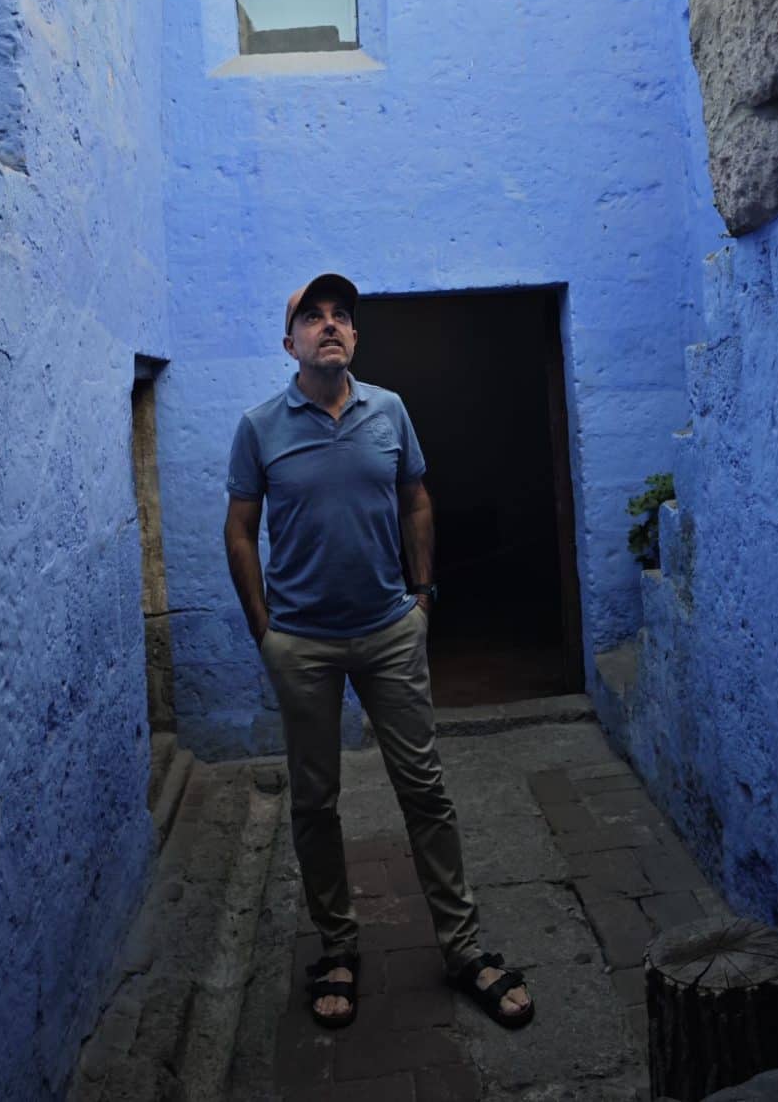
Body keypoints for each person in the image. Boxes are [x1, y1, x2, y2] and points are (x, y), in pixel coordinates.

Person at [223, 272, 534, 1031]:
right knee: (314, 801)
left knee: (425, 790)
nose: (328, 325)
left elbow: (415, 498)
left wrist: (422, 599)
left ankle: (462, 948)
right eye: (312, 317)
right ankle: (336, 947)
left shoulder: (389, 410)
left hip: (390, 632)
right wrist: (265, 631)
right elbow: (239, 530)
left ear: (355, 337)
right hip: (302, 643)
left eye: (341, 316)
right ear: (289, 343)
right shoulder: (259, 428)